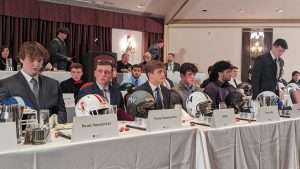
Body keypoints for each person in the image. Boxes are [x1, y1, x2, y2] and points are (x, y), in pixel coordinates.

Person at [0, 41, 67, 123]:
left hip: (51, 133)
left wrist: (55, 125)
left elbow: (62, 112)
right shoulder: (6, 84)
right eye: (31, 60)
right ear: (21, 59)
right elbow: (3, 119)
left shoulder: (53, 84)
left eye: (39, 60)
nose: (36, 64)